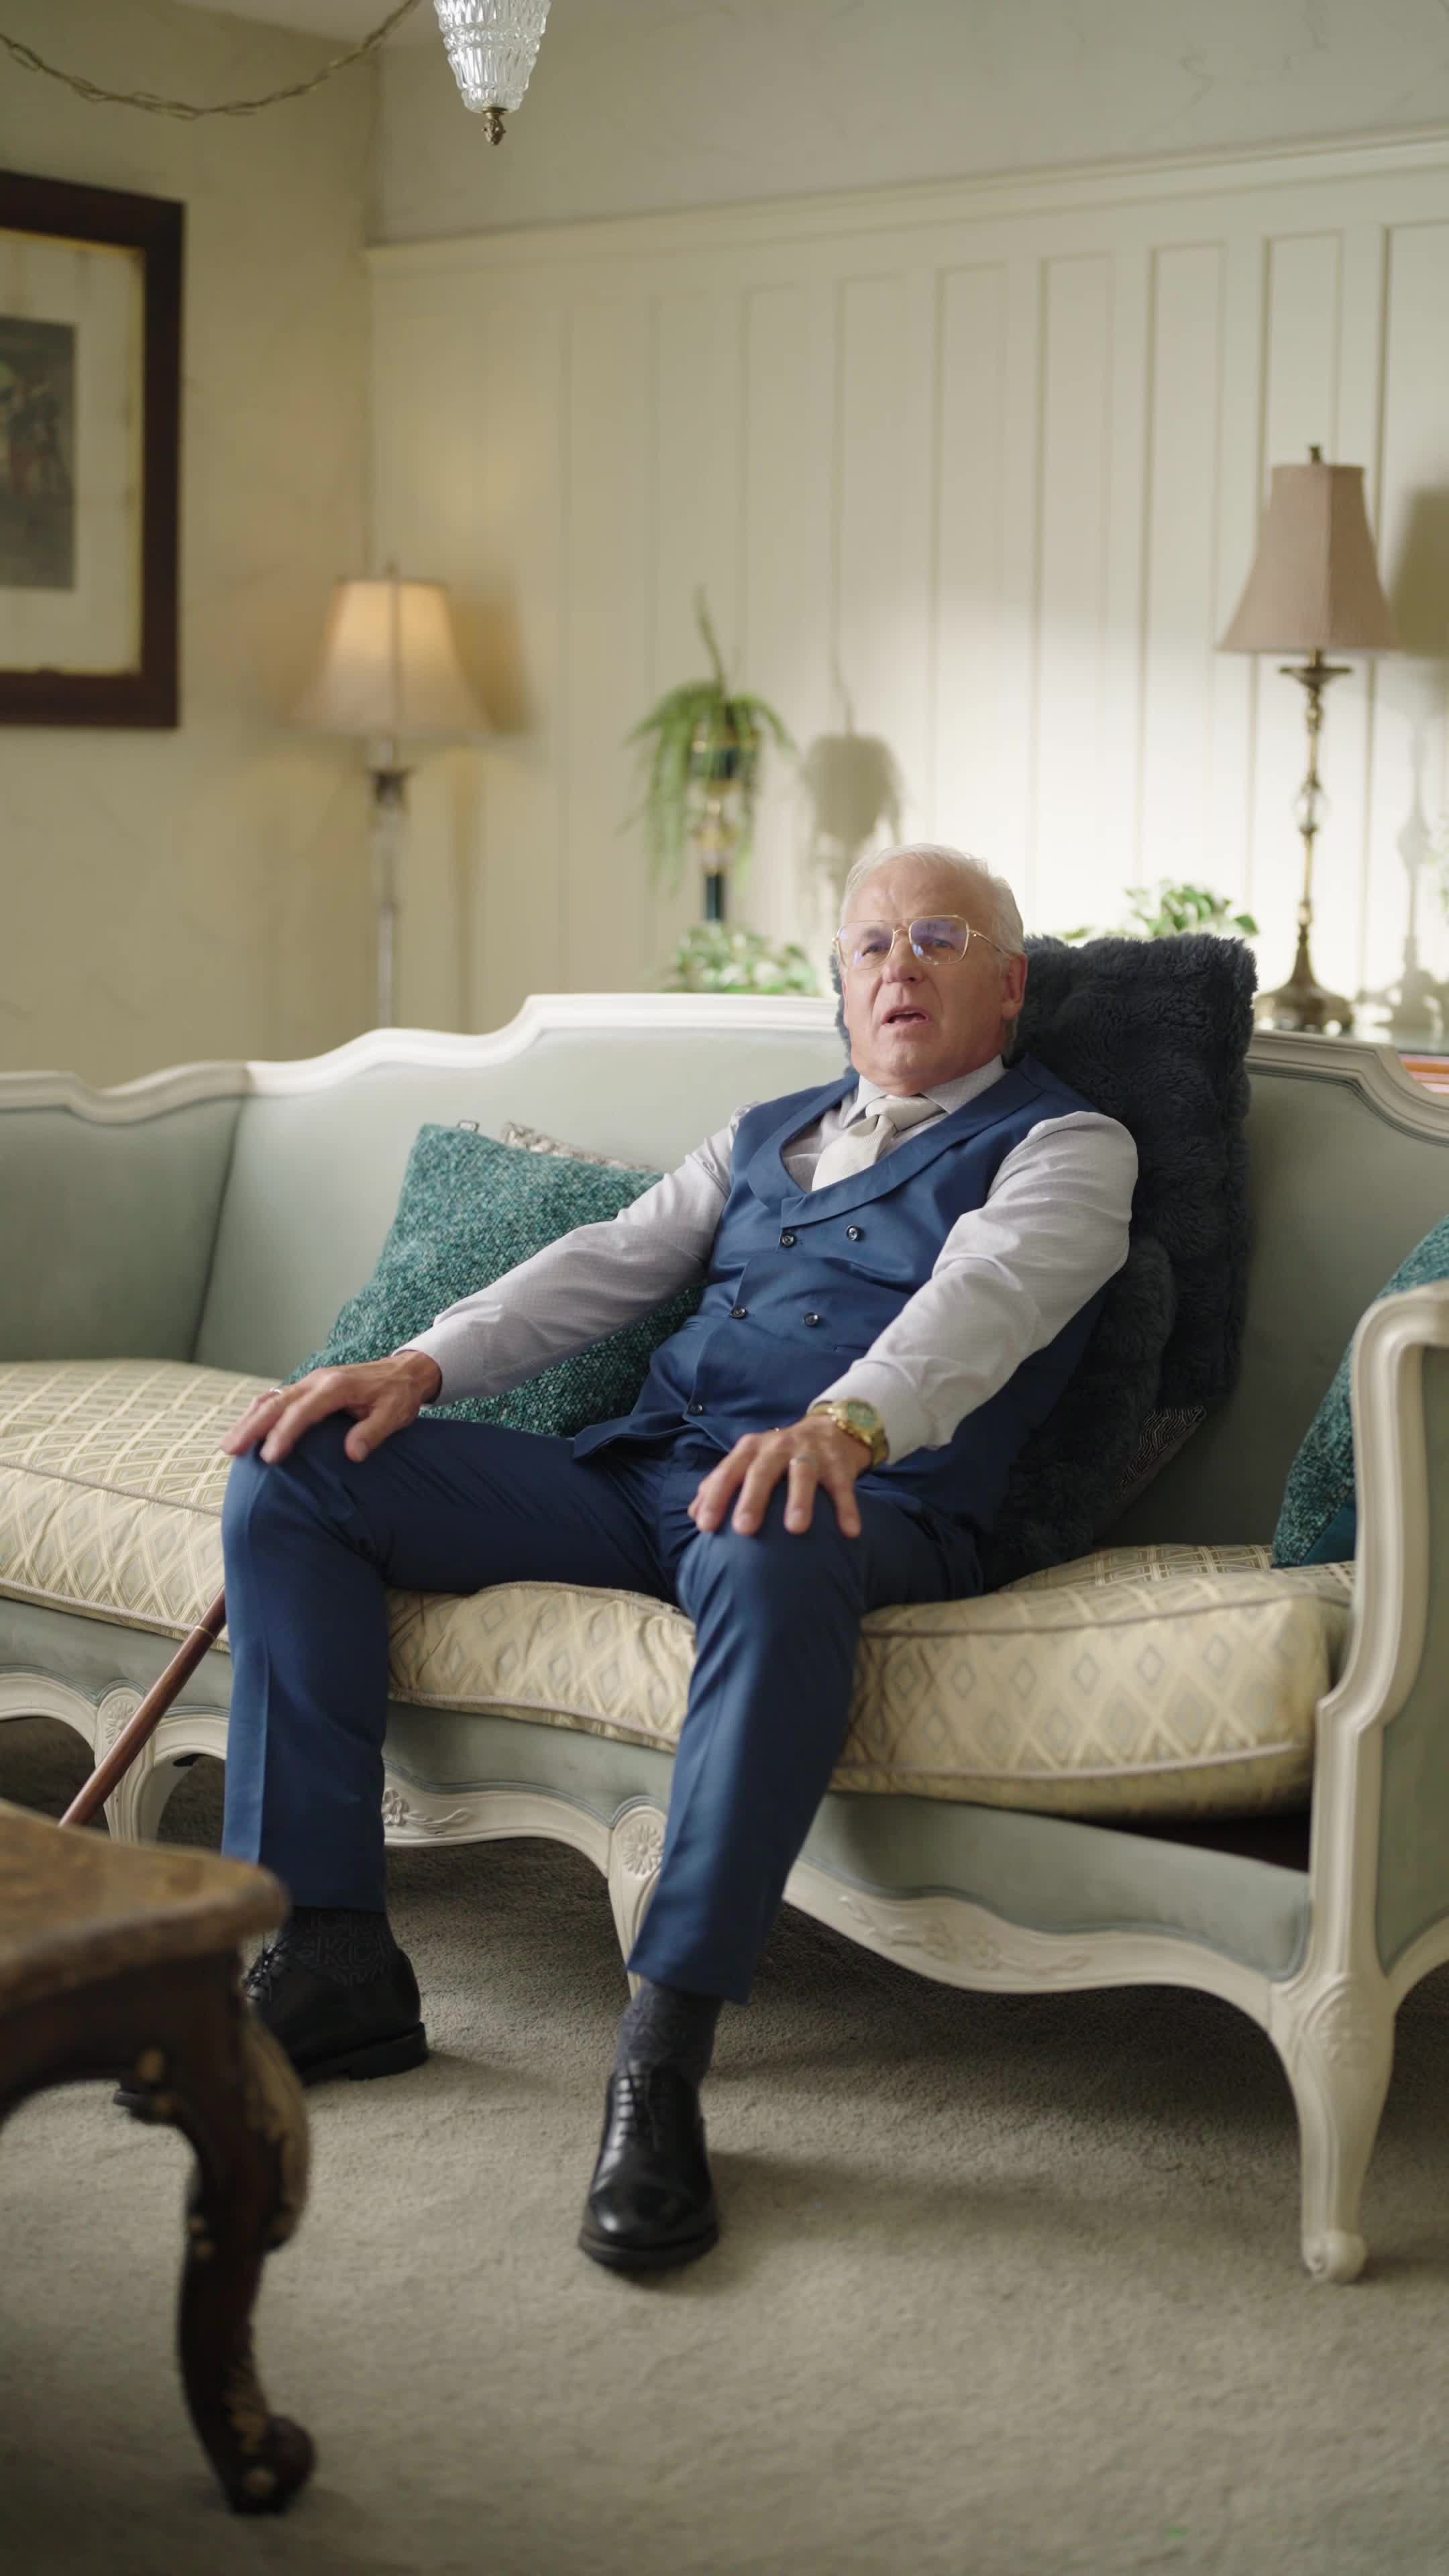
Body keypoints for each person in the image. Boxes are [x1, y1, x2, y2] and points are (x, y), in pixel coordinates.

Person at [216, 844, 1136, 2272]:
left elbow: (987, 1301)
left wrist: (842, 1427)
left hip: (863, 1499)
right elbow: (602, 1264)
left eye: (940, 939)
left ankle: (663, 2054)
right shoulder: (760, 1134)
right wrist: (415, 1365)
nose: (900, 964)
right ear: (840, 988)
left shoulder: (1067, 1145)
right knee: (299, 1469)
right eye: (872, 943)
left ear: (1010, 986)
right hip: (647, 1478)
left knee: (778, 1532)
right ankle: (332, 1952)